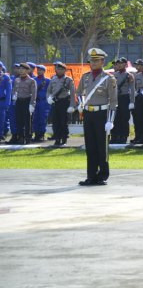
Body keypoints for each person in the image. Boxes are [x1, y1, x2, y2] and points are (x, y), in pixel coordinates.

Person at [76, 48, 118, 186]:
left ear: (102, 61)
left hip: (102, 114)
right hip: (88, 113)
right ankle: (91, 175)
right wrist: (81, 104)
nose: (93, 63)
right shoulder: (86, 77)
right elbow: (79, 93)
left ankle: (102, 175)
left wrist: (110, 120)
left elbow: (113, 101)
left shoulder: (108, 78)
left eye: (96, 60)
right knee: (90, 146)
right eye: (91, 61)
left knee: (102, 146)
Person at [46, 61, 76, 146]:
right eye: (57, 69)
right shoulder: (53, 79)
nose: (58, 70)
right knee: (55, 121)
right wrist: (48, 98)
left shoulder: (68, 80)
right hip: (55, 102)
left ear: (64, 70)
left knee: (63, 121)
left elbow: (73, 93)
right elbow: (48, 91)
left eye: (61, 69)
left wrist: (72, 105)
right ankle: (57, 138)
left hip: (64, 102)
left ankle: (64, 138)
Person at [11, 62, 37, 145]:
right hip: (19, 101)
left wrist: (32, 104)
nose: (21, 70)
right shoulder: (17, 80)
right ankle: (21, 137)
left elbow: (34, 93)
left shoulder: (31, 81)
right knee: (19, 120)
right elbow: (14, 89)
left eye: (23, 69)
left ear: (27, 70)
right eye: (20, 69)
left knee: (27, 121)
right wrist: (14, 95)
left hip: (27, 101)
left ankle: (28, 137)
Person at [32, 64, 50, 142]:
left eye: (41, 70)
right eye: (38, 70)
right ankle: (36, 134)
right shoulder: (33, 80)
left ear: (44, 71)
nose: (39, 71)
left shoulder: (47, 81)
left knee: (43, 118)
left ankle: (41, 134)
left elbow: (50, 91)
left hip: (43, 102)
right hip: (36, 101)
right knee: (35, 118)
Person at [0, 62, 10, 142]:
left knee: (2, 119)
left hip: (1, 101)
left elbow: (8, 91)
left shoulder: (6, 77)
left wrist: (7, 103)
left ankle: (0, 134)